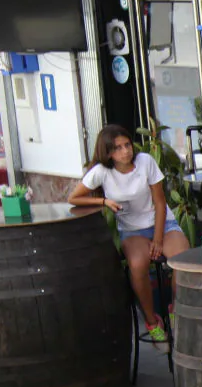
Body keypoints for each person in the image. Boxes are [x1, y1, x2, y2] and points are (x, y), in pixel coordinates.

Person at [69, 124, 191, 341]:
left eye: (127, 145)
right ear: (108, 153)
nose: (125, 151)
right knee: (137, 265)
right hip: (132, 230)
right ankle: (152, 322)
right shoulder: (101, 172)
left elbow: (160, 203)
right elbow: (74, 198)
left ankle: (177, 312)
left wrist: (158, 239)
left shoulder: (146, 162)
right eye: (117, 148)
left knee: (183, 260)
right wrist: (104, 201)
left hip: (162, 224)